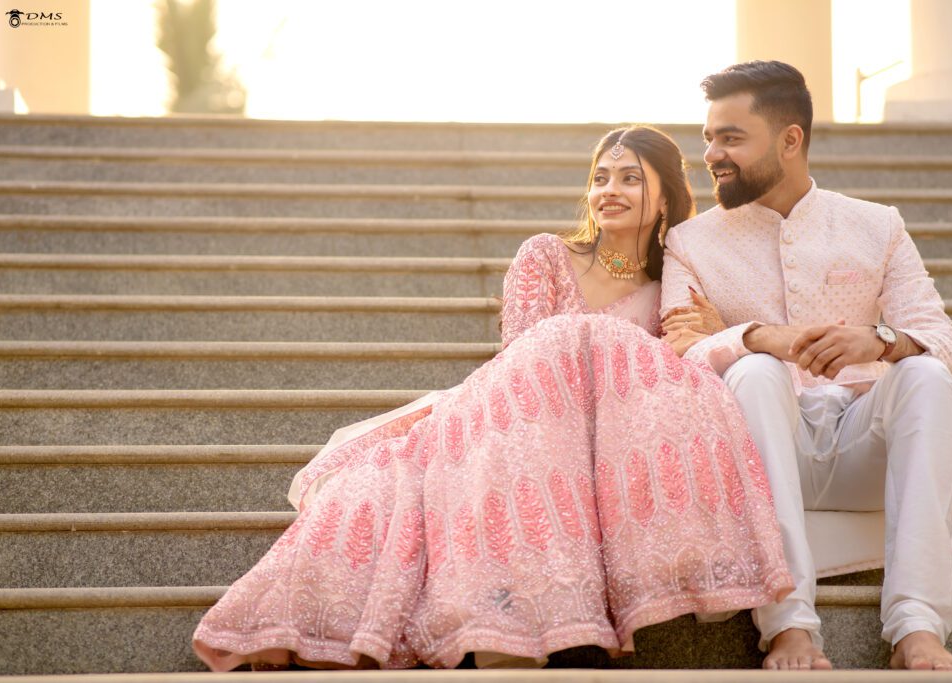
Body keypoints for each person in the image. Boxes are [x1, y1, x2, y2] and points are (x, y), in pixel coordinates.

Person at [191, 125, 794, 671]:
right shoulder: (546, 256)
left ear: (665, 198)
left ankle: (556, 622)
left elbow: (666, 385)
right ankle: (528, 623)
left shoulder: (669, 287)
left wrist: (711, 328)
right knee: (415, 471)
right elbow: (523, 363)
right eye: (600, 177)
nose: (610, 189)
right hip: (519, 420)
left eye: (631, 178)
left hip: (600, 445)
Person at [660, 60, 952, 671]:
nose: (712, 154)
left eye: (731, 137)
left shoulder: (875, 224)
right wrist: (757, 336)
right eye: (708, 138)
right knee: (753, 369)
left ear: (790, 139)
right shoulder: (689, 242)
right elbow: (680, 349)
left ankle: (918, 629)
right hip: (766, 445)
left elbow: (942, 339)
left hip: (863, 446)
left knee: (927, 375)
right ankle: (788, 626)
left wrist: (878, 340)